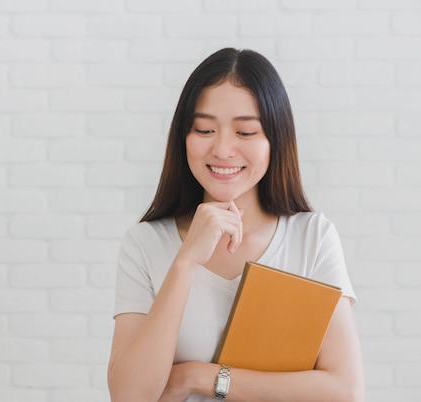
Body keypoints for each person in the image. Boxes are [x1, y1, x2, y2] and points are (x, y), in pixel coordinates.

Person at [107, 48, 365, 402]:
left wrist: (200, 377)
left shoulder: (311, 237)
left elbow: (345, 391)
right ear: (183, 137)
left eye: (245, 132)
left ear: (275, 140)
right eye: (205, 129)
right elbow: (129, 396)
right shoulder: (145, 242)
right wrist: (186, 261)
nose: (223, 149)